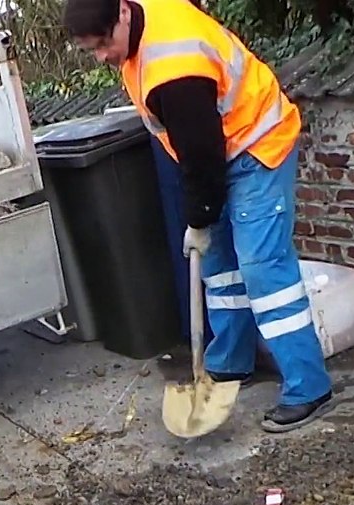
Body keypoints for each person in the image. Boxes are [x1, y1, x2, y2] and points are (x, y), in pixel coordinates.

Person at [63, 0, 335, 433]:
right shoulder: (141, 26)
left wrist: (198, 218)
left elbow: (201, 158)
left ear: (123, 15)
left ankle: (309, 387)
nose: (101, 57)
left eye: (103, 44)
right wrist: (203, 221)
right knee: (219, 267)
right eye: (90, 49)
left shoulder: (176, 70)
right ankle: (229, 364)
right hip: (218, 147)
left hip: (256, 145)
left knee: (263, 272)